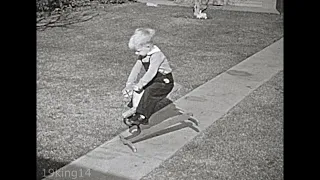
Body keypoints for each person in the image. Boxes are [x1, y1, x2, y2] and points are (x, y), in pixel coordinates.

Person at [122, 28, 174, 126]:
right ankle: (136, 109)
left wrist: (141, 84)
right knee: (138, 91)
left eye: (138, 51)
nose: (136, 54)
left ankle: (142, 116)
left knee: (149, 92)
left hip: (165, 81)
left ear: (148, 46)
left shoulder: (157, 55)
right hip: (155, 79)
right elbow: (136, 69)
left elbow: (151, 72)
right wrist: (129, 84)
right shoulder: (144, 54)